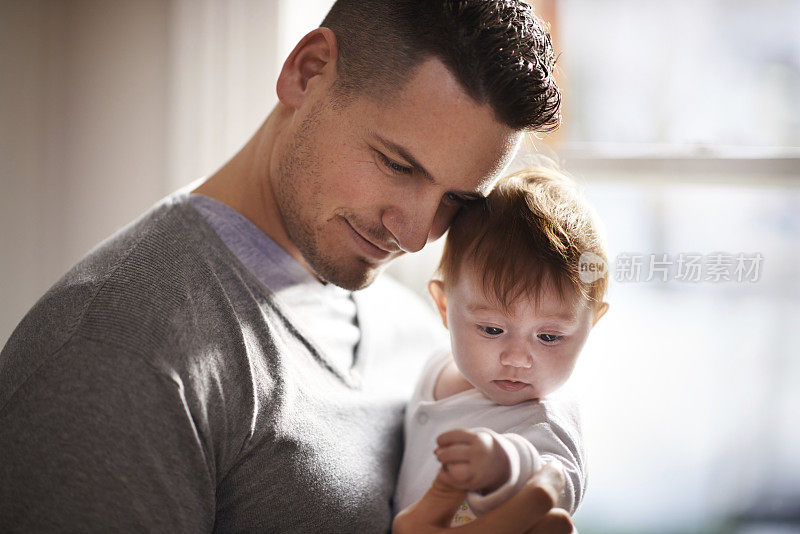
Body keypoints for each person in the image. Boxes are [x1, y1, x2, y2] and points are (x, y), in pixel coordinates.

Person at [0, 1, 574, 532]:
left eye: (459, 201)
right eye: (398, 165)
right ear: (308, 71)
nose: (418, 235)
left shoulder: (425, 332)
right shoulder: (117, 353)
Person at [393, 169, 609, 526]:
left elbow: (558, 481)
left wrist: (505, 464)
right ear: (445, 307)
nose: (518, 358)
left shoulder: (545, 420)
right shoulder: (437, 364)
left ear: (591, 324)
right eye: (493, 329)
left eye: (549, 337)